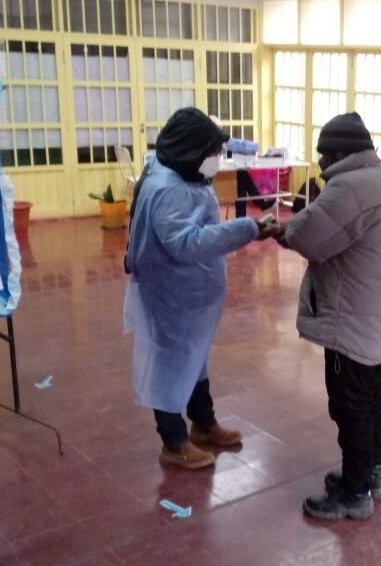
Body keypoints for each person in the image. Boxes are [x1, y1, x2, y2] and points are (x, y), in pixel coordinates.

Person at [265, 113, 381, 520]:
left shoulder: (350, 187)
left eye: (325, 154)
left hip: (351, 319)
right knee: (370, 399)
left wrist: (282, 231)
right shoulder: (376, 178)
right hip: (373, 313)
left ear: (342, 152)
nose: (321, 163)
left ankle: (355, 492)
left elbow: (310, 235)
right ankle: (371, 474)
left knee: (351, 407)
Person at [124, 107, 270, 470]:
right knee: (171, 363)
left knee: (194, 358)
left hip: (189, 295)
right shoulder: (168, 189)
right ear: (192, 151)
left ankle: (203, 424)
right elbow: (185, 243)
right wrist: (247, 229)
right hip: (171, 293)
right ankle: (173, 441)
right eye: (213, 154)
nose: (216, 160)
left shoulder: (181, 172)